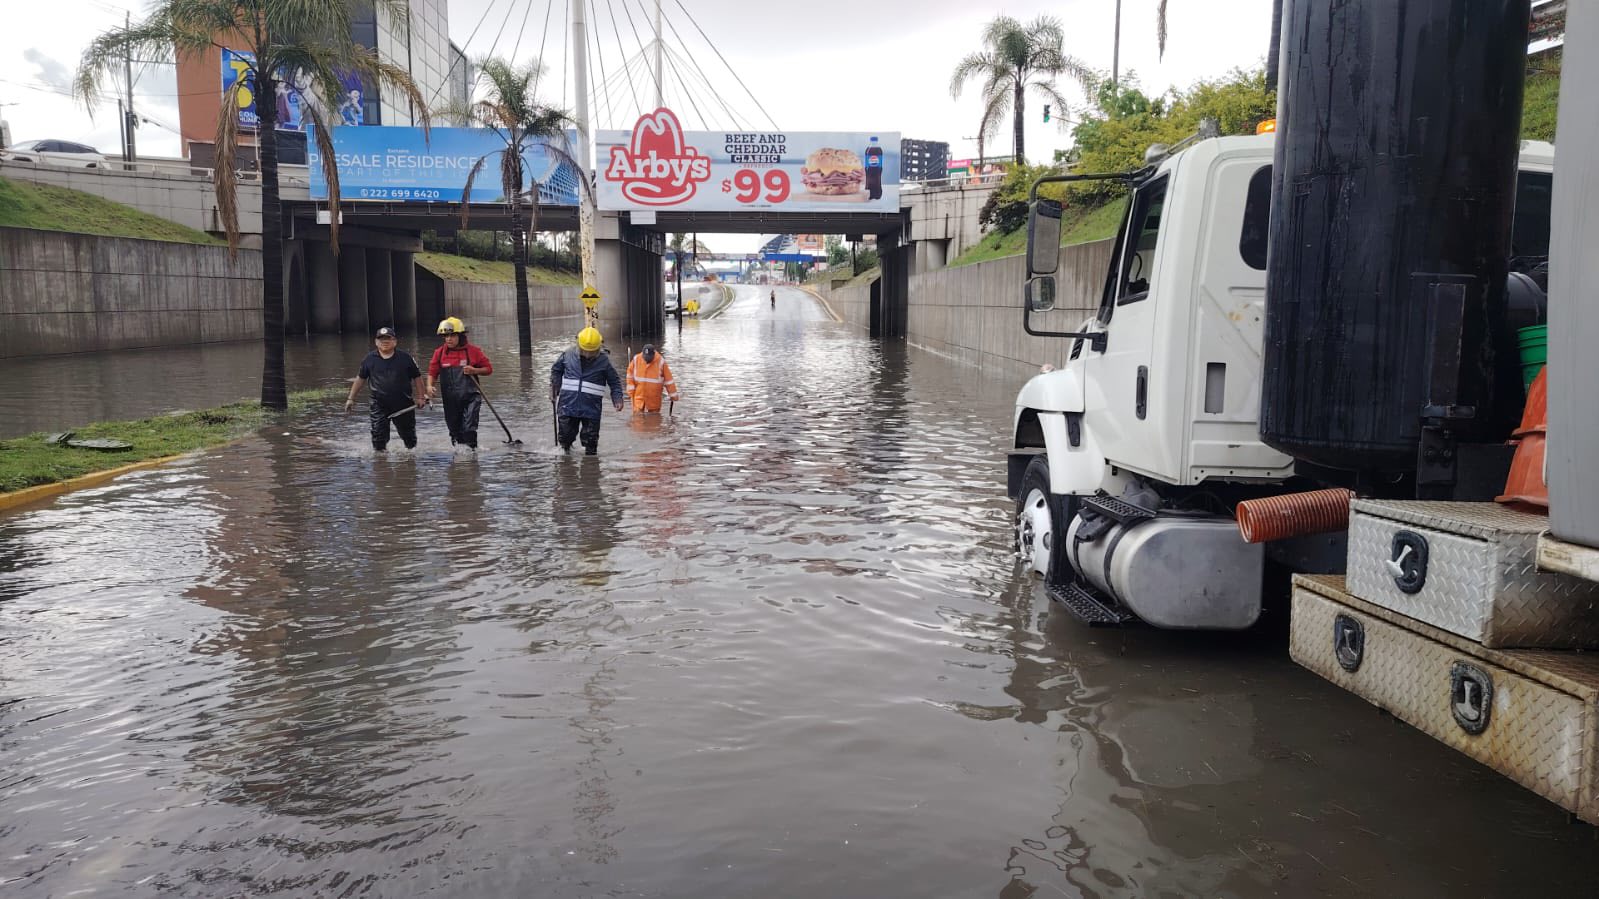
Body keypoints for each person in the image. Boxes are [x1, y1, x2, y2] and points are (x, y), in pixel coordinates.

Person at [345, 326, 424, 451]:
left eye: (388, 338)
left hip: (403, 404)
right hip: (379, 405)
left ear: (395, 341)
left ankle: (411, 459)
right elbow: (360, 379)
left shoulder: (405, 358)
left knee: (409, 439)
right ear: (376, 342)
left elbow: (417, 377)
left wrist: (420, 397)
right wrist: (351, 398)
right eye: (381, 339)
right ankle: (381, 461)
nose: (385, 342)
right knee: (378, 438)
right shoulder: (369, 359)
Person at [550, 327, 624, 455]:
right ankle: (566, 461)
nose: (588, 355)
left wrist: (617, 398)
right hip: (568, 406)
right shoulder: (568, 355)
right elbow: (556, 370)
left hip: (591, 409)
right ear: (578, 345)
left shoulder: (604, 361)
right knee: (565, 439)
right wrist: (554, 387)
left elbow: (614, 381)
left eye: (592, 352)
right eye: (585, 351)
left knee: (591, 442)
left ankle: (590, 465)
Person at [426, 317, 493, 451]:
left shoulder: (474, 351)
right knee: (455, 432)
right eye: (446, 336)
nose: (449, 339)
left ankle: (472, 456)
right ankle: (459, 460)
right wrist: (429, 386)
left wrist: (474, 370)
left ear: (460, 336)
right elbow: (432, 373)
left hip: (471, 397)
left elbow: (488, 369)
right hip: (450, 400)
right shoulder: (439, 353)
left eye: (452, 335)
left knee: (469, 429)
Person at [625, 343, 680, 414]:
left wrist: (673, 395)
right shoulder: (636, 360)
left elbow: (669, 380)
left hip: (654, 401)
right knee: (637, 418)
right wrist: (630, 390)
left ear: (654, 354)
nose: (647, 360)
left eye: (649, 358)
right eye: (645, 357)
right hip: (639, 399)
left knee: (654, 418)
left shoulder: (661, 362)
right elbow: (629, 375)